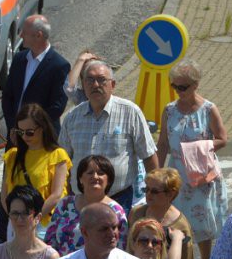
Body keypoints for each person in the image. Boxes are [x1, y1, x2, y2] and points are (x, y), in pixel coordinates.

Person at [156, 59, 229, 259]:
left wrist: (200, 147)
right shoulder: (169, 111)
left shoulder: (208, 109)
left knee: (203, 226)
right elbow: (162, 144)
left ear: (196, 84)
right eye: (175, 86)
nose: (179, 91)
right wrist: (157, 173)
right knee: (176, 223)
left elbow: (223, 138)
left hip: (200, 176)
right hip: (177, 176)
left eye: (183, 87)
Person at [58, 59, 159, 212]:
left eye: (101, 80)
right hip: (80, 201)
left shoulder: (130, 112)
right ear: (83, 85)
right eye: (90, 80)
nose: (95, 85)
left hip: (119, 199)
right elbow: (62, 161)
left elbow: (149, 155)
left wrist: (156, 194)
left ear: (112, 85)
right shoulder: (72, 117)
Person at [0, 104, 70, 240]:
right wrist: (15, 218)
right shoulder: (12, 156)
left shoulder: (57, 155)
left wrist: (33, 218)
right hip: (16, 224)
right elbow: (4, 195)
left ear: (42, 128)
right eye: (20, 132)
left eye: (29, 132)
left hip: (43, 225)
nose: (24, 136)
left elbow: (56, 195)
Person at [129, 168, 197, 259]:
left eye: (154, 191)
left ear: (171, 194)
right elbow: (129, 249)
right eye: (146, 189)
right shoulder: (136, 213)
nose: (148, 194)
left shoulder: (181, 225)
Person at [0, 14, 70, 138]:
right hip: (16, 136)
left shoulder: (59, 65)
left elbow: (56, 107)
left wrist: (29, 130)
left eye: (24, 32)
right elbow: (8, 96)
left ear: (38, 35)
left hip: (42, 137)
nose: (20, 35)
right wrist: (13, 127)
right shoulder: (19, 59)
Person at [44, 154, 129, 255]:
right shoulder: (65, 204)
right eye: (90, 173)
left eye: (101, 173)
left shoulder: (116, 211)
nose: (95, 176)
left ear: (109, 180)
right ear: (80, 179)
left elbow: (120, 248)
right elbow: (50, 240)